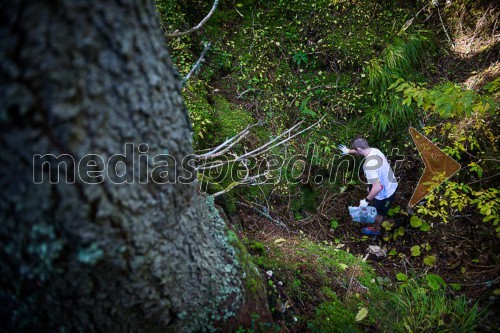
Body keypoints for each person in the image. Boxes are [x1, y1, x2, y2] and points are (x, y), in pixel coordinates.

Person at [338, 137, 398, 236]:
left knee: (379, 212)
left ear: (359, 148)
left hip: (386, 192)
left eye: (355, 150)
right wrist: (348, 151)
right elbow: (360, 151)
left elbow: (378, 188)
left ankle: (376, 228)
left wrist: (366, 200)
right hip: (389, 181)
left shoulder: (369, 165)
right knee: (371, 190)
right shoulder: (375, 150)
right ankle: (372, 201)